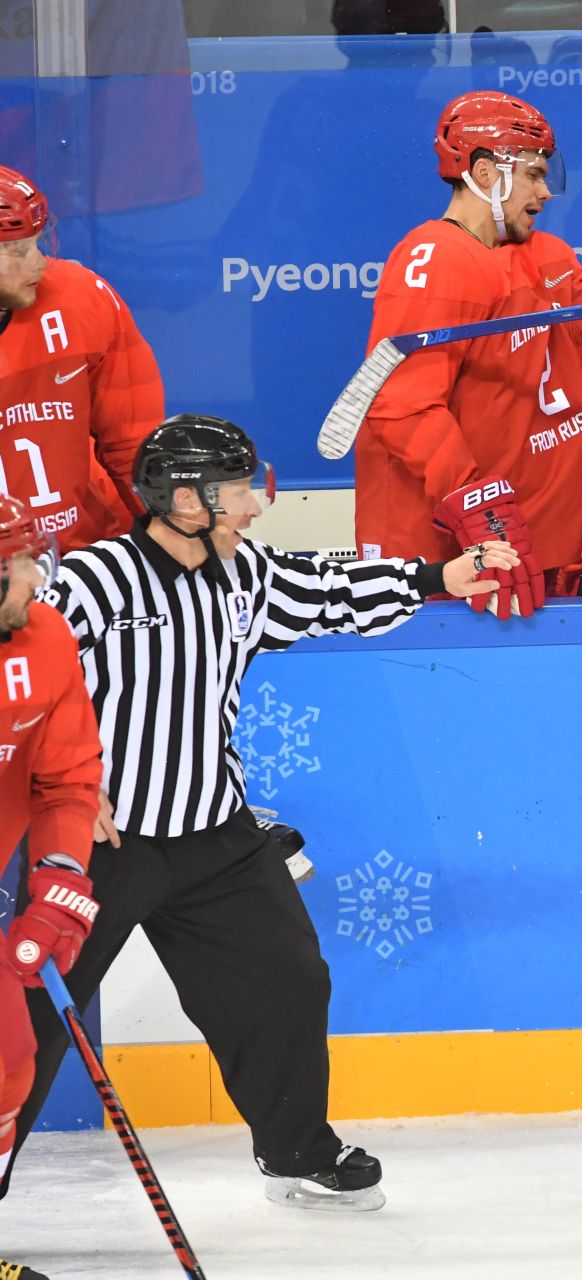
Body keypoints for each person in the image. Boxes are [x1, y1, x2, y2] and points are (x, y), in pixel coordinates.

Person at [0, 415, 520, 1212]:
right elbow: (23, 674)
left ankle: (297, 1151)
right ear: (184, 500)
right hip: (102, 844)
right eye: (239, 490)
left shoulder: (246, 575)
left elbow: (329, 591)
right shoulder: (95, 580)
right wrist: (64, 786)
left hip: (216, 836)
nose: (256, 505)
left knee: (287, 982)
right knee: (23, 1026)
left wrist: (433, 579)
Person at [356, 90, 582, 606]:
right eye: (534, 174)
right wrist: (471, 497)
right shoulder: (436, 260)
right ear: (486, 173)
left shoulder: (544, 255)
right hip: (456, 556)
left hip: (533, 540)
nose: (546, 192)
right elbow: (400, 403)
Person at [0, 498, 98, 1280]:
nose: (37, 575)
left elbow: (66, 781)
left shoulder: (47, 638)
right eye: (21, 562)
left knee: (9, 1056)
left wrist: (59, 879)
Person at [0, 164, 164, 550]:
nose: (39, 262)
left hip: (86, 555)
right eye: (20, 251)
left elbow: (134, 446)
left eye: (38, 243)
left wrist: (173, 531)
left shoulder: (79, 298)